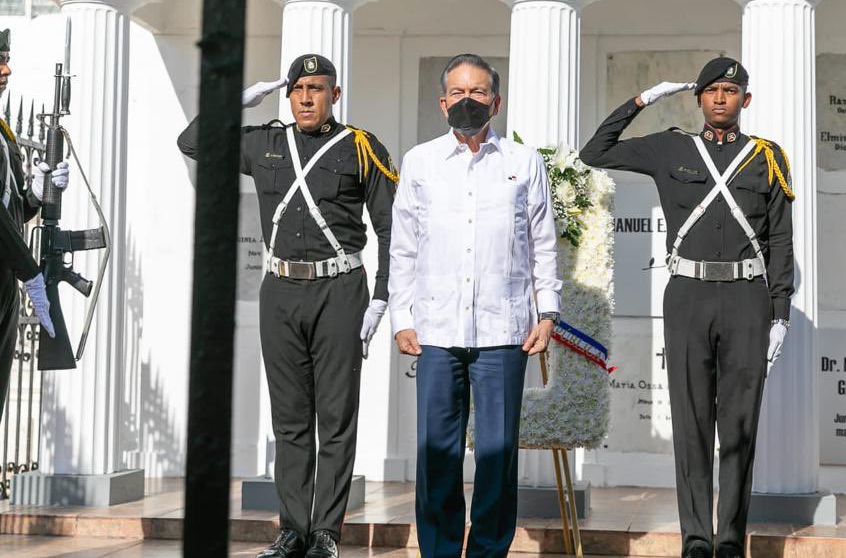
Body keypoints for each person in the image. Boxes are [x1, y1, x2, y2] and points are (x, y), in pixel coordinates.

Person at [178, 54, 398, 558]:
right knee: (289, 419)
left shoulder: (361, 148)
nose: (304, 97)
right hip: (279, 291)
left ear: (334, 95)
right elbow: (191, 141)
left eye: (316, 88)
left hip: (340, 290)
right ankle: (292, 529)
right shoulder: (265, 142)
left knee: (336, 419)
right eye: (297, 88)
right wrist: (235, 103)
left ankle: (326, 532)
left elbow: (391, 228)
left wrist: (383, 296)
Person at [579, 57, 794, 558]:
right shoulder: (671, 147)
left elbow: (780, 239)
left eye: (731, 90)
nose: (721, 97)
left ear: (746, 99)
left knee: (740, 424)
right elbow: (595, 152)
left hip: (747, 299)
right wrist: (644, 99)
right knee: (692, 420)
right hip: (688, 296)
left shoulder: (767, 157)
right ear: (698, 98)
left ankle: (729, 541)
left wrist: (780, 311)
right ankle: (696, 539)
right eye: (712, 90)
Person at [388, 53, 561, 558]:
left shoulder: (523, 163)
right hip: (437, 331)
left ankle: (488, 551)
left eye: (478, 92)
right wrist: (403, 318)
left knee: (497, 455)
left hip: (503, 330)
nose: (468, 100)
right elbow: (403, 247)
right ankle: (439, 551)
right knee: (436, 454)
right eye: (458, 92)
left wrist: (546, 313)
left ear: (496, 102)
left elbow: (543, 244)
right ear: (443, 102)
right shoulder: (420, 161)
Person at [1, 27, 66, 424]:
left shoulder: (4, 132)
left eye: (6, 60)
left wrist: (36, 196)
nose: (6, 69)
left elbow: (9, 213)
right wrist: (31, 272)